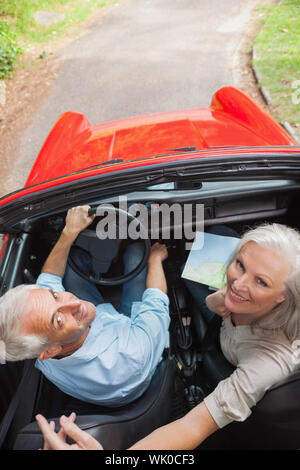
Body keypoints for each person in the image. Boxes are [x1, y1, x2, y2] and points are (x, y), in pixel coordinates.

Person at [35, 222, 300, 449]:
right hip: (224, 328)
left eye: (261, 281)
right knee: (214, 239)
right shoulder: (237, 294)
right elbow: (221, 298)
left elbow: (191, 428)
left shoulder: (269, 361)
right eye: (240, 264)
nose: (237, 283)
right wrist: (224, 302)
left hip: (231, 349)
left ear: (283, 296)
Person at [0, 205, 170, 410]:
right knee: (137, 253)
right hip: (132, 333)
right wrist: (155, 258)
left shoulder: (40, 337)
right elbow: (156, 301)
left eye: (55, 296)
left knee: (73, 263)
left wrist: (69, 233)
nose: (73, 301)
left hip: (94, 327)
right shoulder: (131, 355)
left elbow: (49, 279)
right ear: (51, 351)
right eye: (58, 319)